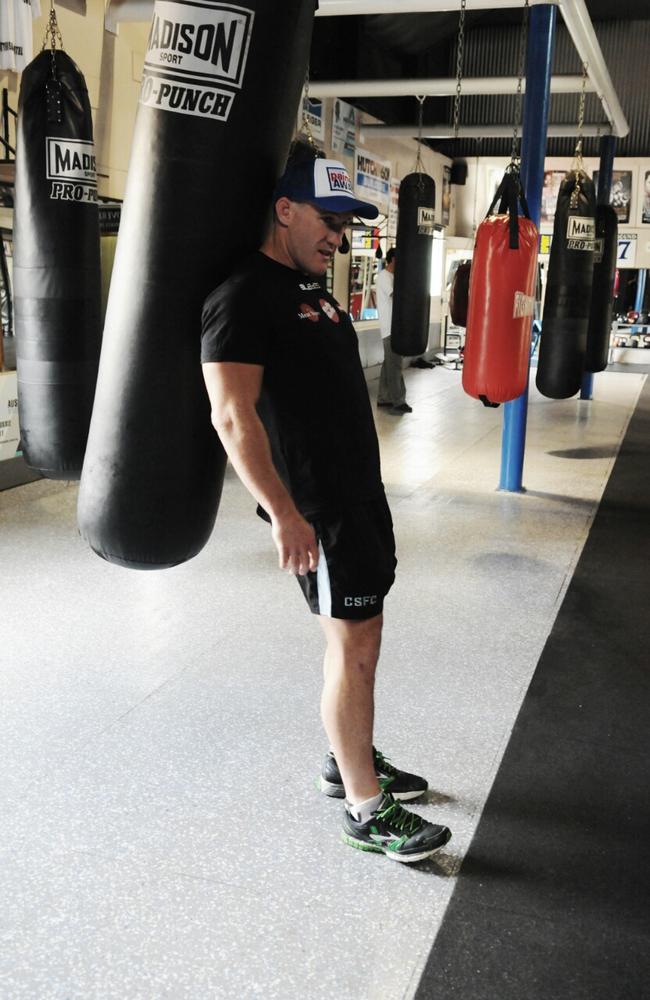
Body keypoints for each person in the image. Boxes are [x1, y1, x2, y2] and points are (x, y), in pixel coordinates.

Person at [201, 142, 451, 864]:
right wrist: (283, 512)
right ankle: (367, 809)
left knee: (362, 638)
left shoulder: (313, 287)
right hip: (320, 508)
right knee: (353, 644)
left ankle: (349, 759)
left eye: (344, 223)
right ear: (284, 210)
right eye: (327, 218)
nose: (337, 235)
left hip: (358, 496)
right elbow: (232, 416)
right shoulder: (243, 294)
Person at [375, 248, 412, 414]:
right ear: (393, 259)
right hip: (390, 328)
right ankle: (399, 401)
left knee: (388, 364)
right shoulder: (384, 277)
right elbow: (395, 296)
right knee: (395, 365)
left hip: (395, 327)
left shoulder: (393, 277)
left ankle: (383, 398)